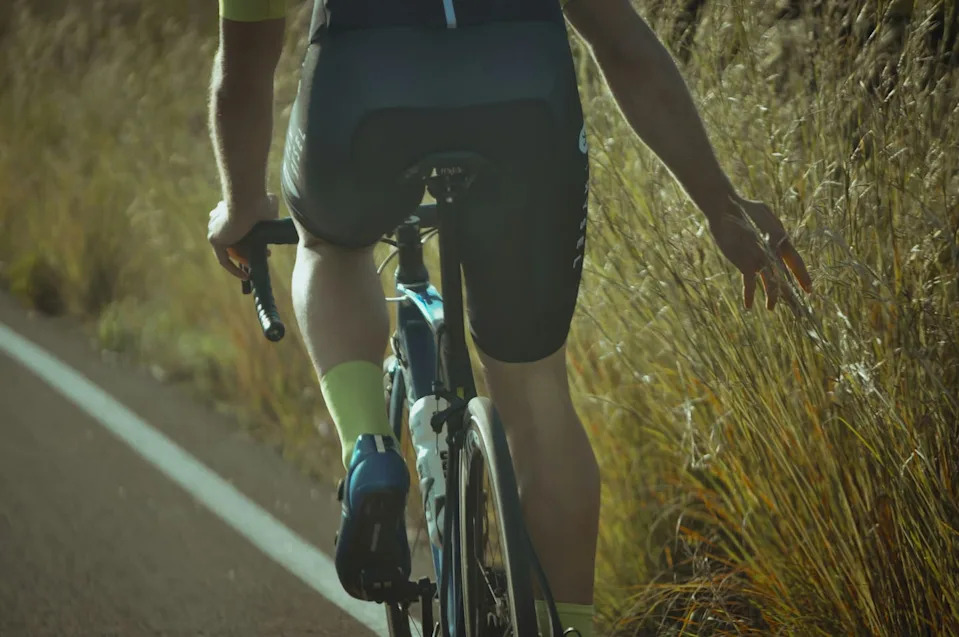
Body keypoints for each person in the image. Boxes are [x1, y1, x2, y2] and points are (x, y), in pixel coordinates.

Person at [207, 0, 813, 634]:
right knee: (538, 402)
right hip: (524, 98)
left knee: (329, 243)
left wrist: (241, 201)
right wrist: (719, 203)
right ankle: (566, 627)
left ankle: (369, 448)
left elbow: (245, 68)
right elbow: (623, 43)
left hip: (363, 89)